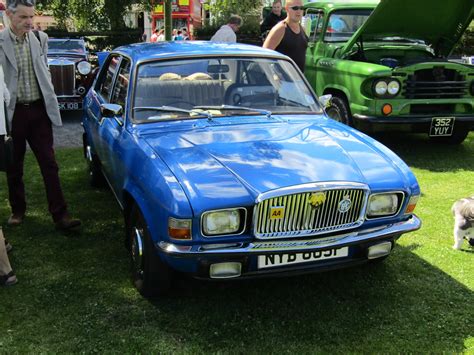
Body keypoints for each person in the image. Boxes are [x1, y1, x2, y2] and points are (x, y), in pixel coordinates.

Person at [0, 0, 81, 231]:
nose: (28, 22)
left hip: (38, 111)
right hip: (12, 113)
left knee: (49, 162)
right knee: (14, 164)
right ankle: (18, 210)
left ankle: (61, 215)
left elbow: (43, 72)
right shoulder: (0, 41)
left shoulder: (39, 39)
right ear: (9, 15)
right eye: (23, 17)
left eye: (31, 17)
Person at [263, 0, 308, 72]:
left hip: (298, 79)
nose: (299, 11)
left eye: (301, 8)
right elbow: (264, 56)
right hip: (283, 80)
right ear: (287, 9)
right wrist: (273, 76)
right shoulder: (280, 29)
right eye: (295, 8)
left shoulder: (302, 29)